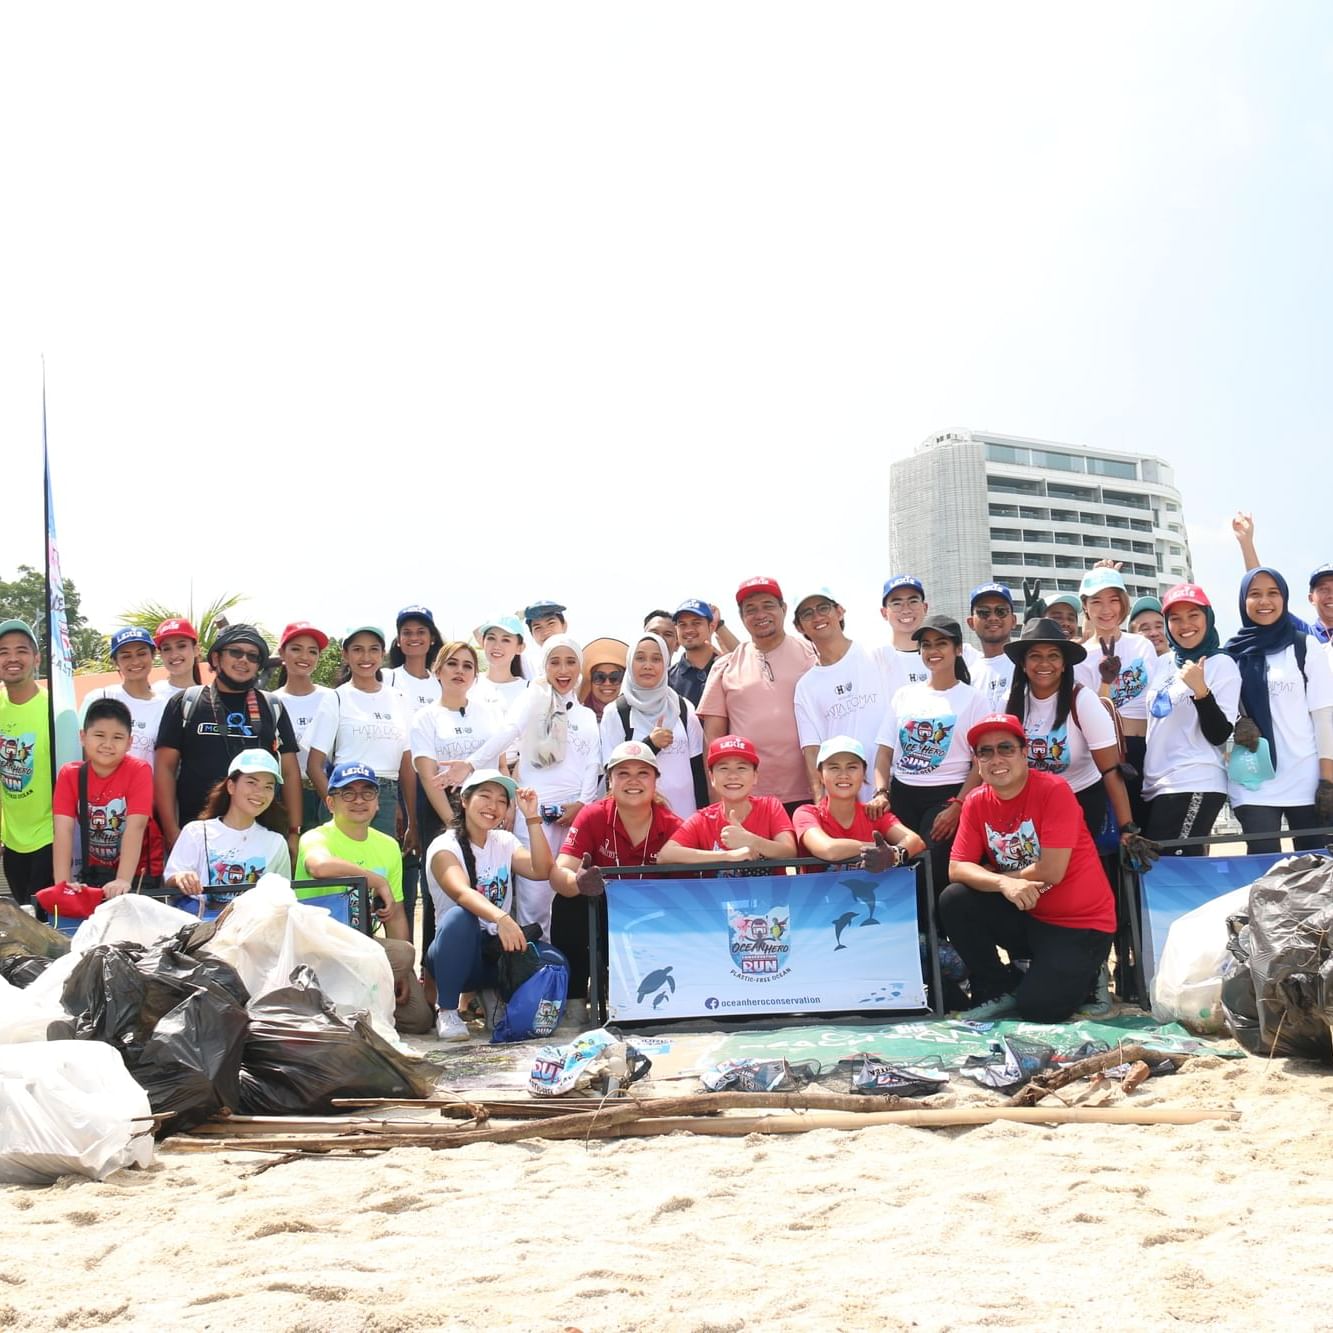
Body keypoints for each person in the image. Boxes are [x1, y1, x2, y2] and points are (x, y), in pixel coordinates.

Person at [940, 713, 1118, 1022]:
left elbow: (1052, 870)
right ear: (977, 761)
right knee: (955, 898)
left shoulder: (1054, 790)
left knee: (1041, 1009)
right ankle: (1001, 987)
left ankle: (1092, 972)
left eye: (1006, 748)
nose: (996, 758)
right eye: (986, 751)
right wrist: (1004, 885)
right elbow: (957, 868)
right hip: (1028, 912)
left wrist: (999, 877)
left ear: (1025, 753)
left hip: (1079, 923)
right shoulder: (975, 801)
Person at [441, 635, 601, 943]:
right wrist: (471, 764)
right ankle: (533, 976)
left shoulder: (584, 715)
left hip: (573, 819)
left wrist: (582, 805)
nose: (563, 669)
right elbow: (509, 731)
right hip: (535, 817)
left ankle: (565, 979)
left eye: (570, 661)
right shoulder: (534, 699)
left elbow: (592, 763)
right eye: (555, 661)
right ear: (544, 666)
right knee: (534, 901)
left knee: (569, 897)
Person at [294, 761, 432, 1034]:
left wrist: (402, 972)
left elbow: (396, 913)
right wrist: (376, 880)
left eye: (367, 793)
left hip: (364, 946)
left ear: (378, 803)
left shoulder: (388, 845)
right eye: (348, 793)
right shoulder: (316, 837)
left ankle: (349, 1008)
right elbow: (319, 866)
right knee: (402, 953)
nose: (359, 800)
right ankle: (344, 1008)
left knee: (418, 1018)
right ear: (330, 803)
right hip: (318, 944)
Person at [551, 740, 686, 1007]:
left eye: (642, 773)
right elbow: (559, 873)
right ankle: (576, 1000)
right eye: (623, 773)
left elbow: (686, 893)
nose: (633, 781)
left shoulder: (672, 824)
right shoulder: (592, 816)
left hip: (651, 919)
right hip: (603, 912)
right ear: (610, 781)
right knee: (568, 903)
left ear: (655, 780)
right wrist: (578, 882)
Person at [423, 770, 555, 1042]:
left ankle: (495, 998)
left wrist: (532, 818)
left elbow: (542, 870)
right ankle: (447, 1009)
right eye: (484, 796)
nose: (492, 807)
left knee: (554, 960)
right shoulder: (444, 846)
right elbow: (461, 892)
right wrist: (503, 918)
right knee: (462, 918)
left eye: (501, 801)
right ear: (464, 800)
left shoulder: (504, 841)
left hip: (496, 952)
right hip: (457, 954)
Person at [155, 623, 303, 862]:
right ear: (216, 657)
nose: (244, 660)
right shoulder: (185, 702)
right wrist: (172, 831)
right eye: (235, 652)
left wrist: (294, 832)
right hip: (196, 836)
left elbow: (289, 771)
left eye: (253, 656)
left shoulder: (271, 706)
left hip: (259, 837)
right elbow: (164, 768)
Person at [872, 616, 988, 895]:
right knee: (900, 871)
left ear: (958, 649)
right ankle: (914, 936)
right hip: (902, 795)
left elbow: (980, 761)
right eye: (926, 645)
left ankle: (938, 936)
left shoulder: (974, 699)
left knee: (933, 870)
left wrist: (959, 804)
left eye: (941, 644)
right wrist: (881, 792)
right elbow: (885, 750)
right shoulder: (904, 695)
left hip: (946, 797)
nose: (932, 651)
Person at [1223, 567, 1333, 853]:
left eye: (1273, 593)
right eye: (1255, 594)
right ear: (1242, 601)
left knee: (1316, 874)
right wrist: (1238, 721)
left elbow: (1324, 719)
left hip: (1306, 780)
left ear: (1284, 598)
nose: (1264, 601)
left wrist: (1328, 781)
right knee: (1260, 871)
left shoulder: (1304, 645)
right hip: (1254, 782)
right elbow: (1223, 708)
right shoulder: (1231, 653)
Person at [1002, 618, 1133, 842]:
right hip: (1028, 804)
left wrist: (1128, 829)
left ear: (1064, 664)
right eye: (1035, 656)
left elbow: (1111, 770)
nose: (1044, 664)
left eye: (1053, 656)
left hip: (1080, 800)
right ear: (1023, 664)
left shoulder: (1082, 701)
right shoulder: (1009, 702)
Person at [410, 641, 506, 943]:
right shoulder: (425, 717)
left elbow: (501, 764)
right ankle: (435, 974)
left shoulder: (490, 713)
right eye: (452, 664)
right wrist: (456, 823)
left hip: (489, 810)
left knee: (491, 884)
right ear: (437, 671)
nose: (460, 671)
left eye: (468, 665)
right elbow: (428, 778)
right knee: (442, 894)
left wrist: (503, 809)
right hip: (444, 812)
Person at [697, 577, 816, 811]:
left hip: (809, 790)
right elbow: (713, 739)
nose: (760, 614)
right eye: (750, 609)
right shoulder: (726, 666)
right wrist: (717, 801)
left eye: (768, 605)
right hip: (746, 796)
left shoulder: (813, 655)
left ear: (783, 609)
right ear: (742, 618)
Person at [1142, 584, 1241, 852]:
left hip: (1194, 779)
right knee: (1160, 871)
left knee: (1177, 871)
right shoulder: (1163, 662)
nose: (1185, 624)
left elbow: (1220, 734)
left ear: (1207, 618)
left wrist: (1201, 691)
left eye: (1193, 615)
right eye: (1175, 618)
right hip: (1157, 783)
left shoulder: (1221, 664)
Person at [306, 625, 417, 849]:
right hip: (345, 794)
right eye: (357, 649)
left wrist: (412, 820)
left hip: (386, 797)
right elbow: (314, 765)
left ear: (382, 653)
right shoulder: (336, 698)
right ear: (345, 655)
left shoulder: (399, 699)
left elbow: (406, 765)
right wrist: (336, 803)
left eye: (373, 649)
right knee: (341, 874)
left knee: (380, 873)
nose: (366, 657)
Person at [791, 588, 900, 805]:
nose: (817, 617)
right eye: (807, 613)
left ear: (840, 611)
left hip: (898, 786)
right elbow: (812, 750)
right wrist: (821, 802)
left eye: (823, 608)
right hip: (846, 800)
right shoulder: (806, 687)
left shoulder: (880, 654)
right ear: (799, 626)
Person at [52, 698, 161, 896]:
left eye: (117, 737)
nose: (107, 744)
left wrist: (123, 879)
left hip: (137, 873)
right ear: (83, 737)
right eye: (99, 735)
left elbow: (135, 827)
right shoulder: (70, 774)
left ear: (129, 742)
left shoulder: (139, 770)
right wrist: (63, 884)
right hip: (95, 872)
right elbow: (62, 830)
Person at [1072, 568, 1156, 824]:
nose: (1106, 609)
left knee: (1151, 828)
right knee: (1116, 831)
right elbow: (1090, 716)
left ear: (1123, 603)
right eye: (1096, 601)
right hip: (1109, 755)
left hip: (1150, 750)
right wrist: (1106, 684)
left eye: (1113, 599)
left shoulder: (1141, 644)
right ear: (1085, 607)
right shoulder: (1081, 656)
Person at [600, 632, 706, 816]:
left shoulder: (683, 707)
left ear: (665, 663)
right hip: (637, 820)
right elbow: (612, 772)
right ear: (630, 663)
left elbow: (698, 770)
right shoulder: (617, 712)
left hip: (686, 818)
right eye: (640, 658)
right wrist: (651, 745)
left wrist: (704, 818)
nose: (648, 666)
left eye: (656, 659)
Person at [658, 734, 798, 871]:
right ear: (712, 777)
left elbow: (790, 852)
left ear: (755, 776)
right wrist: (727, 856)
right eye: (723, 768)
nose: (732, 776)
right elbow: (665, 855)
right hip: (718, 894)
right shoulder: (703, 819)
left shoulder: (771, 807)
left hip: (770, 893)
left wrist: (750, 841)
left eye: (741, 768)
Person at [162, 749, 292, 896]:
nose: (260, 792)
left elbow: (283, 897)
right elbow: (172, 877)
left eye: (268, 787)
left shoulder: (276, 842)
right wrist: (181, 878)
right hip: (201, 918)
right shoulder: (196, 832)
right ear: (231, 786)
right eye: (251, 782)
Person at [793, 737, 925, 867]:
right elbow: (828, 849)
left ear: (864, 773)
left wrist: (893, 854)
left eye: (852, 767)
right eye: (834, 768)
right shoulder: (806, 813)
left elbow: (916, 841)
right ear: (820, 775)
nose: (843, 774)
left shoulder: (874, 813)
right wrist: (877, 849)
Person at [0, 620, 54, 916]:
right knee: (23, 925)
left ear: (36, 659)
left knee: (46, 926)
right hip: (12, 843)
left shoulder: (56, 709)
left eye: (21, 650)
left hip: (50, 839)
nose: (12, 658)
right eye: (3, 651)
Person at [271, 621, 334, 832]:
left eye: (312, 651)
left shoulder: (331, 698)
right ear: (282, 653)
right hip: (283, 794)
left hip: (327, 792)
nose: (304, 657)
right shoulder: (271, 701)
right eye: (296, 649)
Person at [1232, 513, 1333, 644]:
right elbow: (1261, 587)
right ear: (1311, 598)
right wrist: (1246, 543)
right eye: (1324, 589)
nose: (1331, 595)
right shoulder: (1307, 637)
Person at [81, 627, 167, 766]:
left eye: (142, 653)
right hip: (100, 787)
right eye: (126, 656)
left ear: (153, 655)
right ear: (115, 662)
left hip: (145, 787)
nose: (135, 661)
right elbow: (83, 754)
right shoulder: (98, 698)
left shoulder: (166, 706)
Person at [668, 599, 740, 707]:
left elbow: (749, 662)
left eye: (696, 623)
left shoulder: (727, 668)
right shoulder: (668, 678)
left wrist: (719, 625)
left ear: (711, 627)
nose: (689, 630)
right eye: (682, 625)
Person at [961, 584, 1017, 711]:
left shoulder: (1026, 665)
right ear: (971, 623)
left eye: (1001, 611)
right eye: (983, 612)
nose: (993, 618)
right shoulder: (967, 675)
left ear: (1013, 621)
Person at [384, 605, 444, 719]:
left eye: (421, 632)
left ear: (432, 639)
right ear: (398, 640)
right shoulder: (386, 678)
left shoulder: (441, 683)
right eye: (407, 633)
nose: (414, 638)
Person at [879, 575, 931, 686]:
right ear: (884, 613)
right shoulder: (876, 660)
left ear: (925, 607)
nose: (906, 610)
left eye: (913, 601)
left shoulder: (944, 656)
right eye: (897, 604)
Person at [472, 616, 528, 715]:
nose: (497, 646)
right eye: (491, 638)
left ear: (520, 648)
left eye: (506, 640)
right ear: (482, 643)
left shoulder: (530, 690)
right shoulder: (468, 684)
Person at [579, 638, 629, 722]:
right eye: (599, 677)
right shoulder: (576, 718)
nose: (607, 683)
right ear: (590, 681)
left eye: (615, 677)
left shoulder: (636, 717)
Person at [151, 617, 201, 697]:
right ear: (161, 654)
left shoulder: (209, 698)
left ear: (196, 650)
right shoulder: (152, 695)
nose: (174, 655)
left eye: (181, 646)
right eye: (167, 649)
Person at [520, 599, 568, 679]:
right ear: (532, 634)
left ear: (564, 626)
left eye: (551, 623)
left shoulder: (582, 660)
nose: (545, 631)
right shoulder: (529, 666)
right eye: (538, 627)